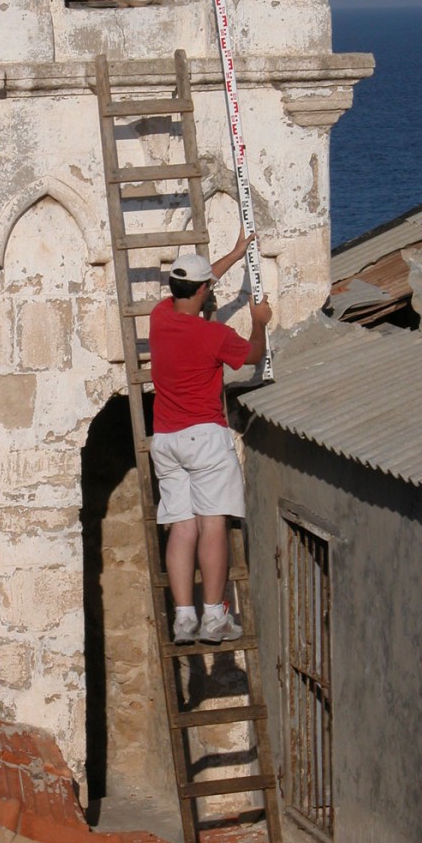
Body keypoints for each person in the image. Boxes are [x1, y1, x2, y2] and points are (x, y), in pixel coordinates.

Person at [149, 237, 272, 644]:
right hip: (204, 437)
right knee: (212, 525)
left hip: (166, 441)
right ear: (202, 292)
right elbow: (254, 355)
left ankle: (184, 618)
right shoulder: (213, 336)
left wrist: (236, 254)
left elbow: (202, 280)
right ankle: (214, 616)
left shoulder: (159, 316)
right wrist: (259, 320)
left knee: (181, 528)